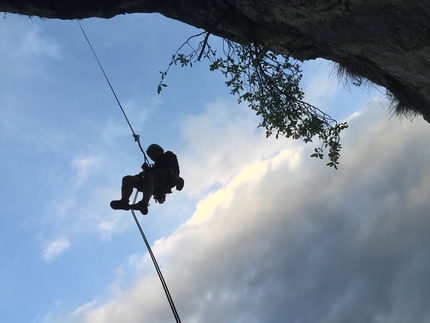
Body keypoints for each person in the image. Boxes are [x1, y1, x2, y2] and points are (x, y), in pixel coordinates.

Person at [110, 144, 184, 215]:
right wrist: (144, 173)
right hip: (155, 183)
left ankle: (143, 203)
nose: (152, 154)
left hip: (169, 178)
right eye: (150, 154)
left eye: (153, 151)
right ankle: (124, 201)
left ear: (160, 151)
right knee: (127, 179)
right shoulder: (153, 168)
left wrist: (147, 170)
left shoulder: (168, 155)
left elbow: (163, 165)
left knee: (148, 176)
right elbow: (154, 170)